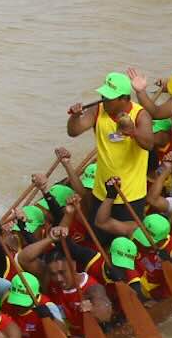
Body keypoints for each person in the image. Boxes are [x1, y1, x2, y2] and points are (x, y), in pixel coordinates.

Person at [65, 71, 155, 235]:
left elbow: (149, 144)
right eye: (103, 95)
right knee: (99, 237)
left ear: (124, 99)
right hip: (102, 192)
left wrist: (132, 132)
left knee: (125, 244)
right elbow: (73, 131)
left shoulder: (141, 115)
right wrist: (75, 117)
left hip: (130, 195)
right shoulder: (97, 110)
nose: (104, 100)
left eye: (109, 97)